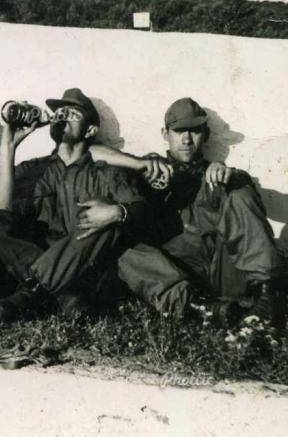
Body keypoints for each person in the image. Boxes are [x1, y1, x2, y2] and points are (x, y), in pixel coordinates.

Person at [93, 97, 287, 327]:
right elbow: (88, 153)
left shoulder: (217, 175)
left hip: (221, 272)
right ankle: (199, 307)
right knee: (120, 247)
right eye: (179, 131)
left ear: (205, 135)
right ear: (165, 134)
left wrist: (231, 176)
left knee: (240, 192)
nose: (186, 139)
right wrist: (137, 165)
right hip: (173, 275)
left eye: (194, 131)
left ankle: (268, 296)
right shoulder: (148, 168)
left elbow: (244, 197)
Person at [0, 88, 147, 322]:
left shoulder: (107, 172)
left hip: (86, 264)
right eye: (59, 112)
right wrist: (8, 147)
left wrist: (117, 212)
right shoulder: (35, 169)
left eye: (72, 114)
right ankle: (62, 294)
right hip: (46, 255)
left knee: (108, 215)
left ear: (90, 130)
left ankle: (34, 291)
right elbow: (2, 211)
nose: (62, 116)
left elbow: (140, 207)